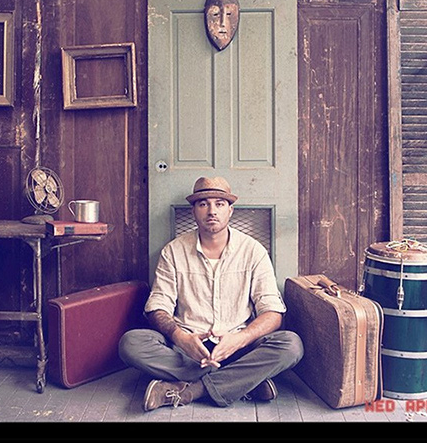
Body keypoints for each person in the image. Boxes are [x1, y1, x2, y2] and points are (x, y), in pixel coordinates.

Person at [119, 176, 304, 411]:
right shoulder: (173, 251)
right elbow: (157, 307)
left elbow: (273, 313)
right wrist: (181, 338)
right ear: (194, 211)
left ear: (230, 210)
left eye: (219, 203)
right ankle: (243, 381)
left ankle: (191, 391)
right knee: (131, 343)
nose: (212, 211)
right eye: (204, 203)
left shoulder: (253, 251)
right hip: (188, 351)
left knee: (291, 345)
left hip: (238, 348)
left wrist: (241, 339)